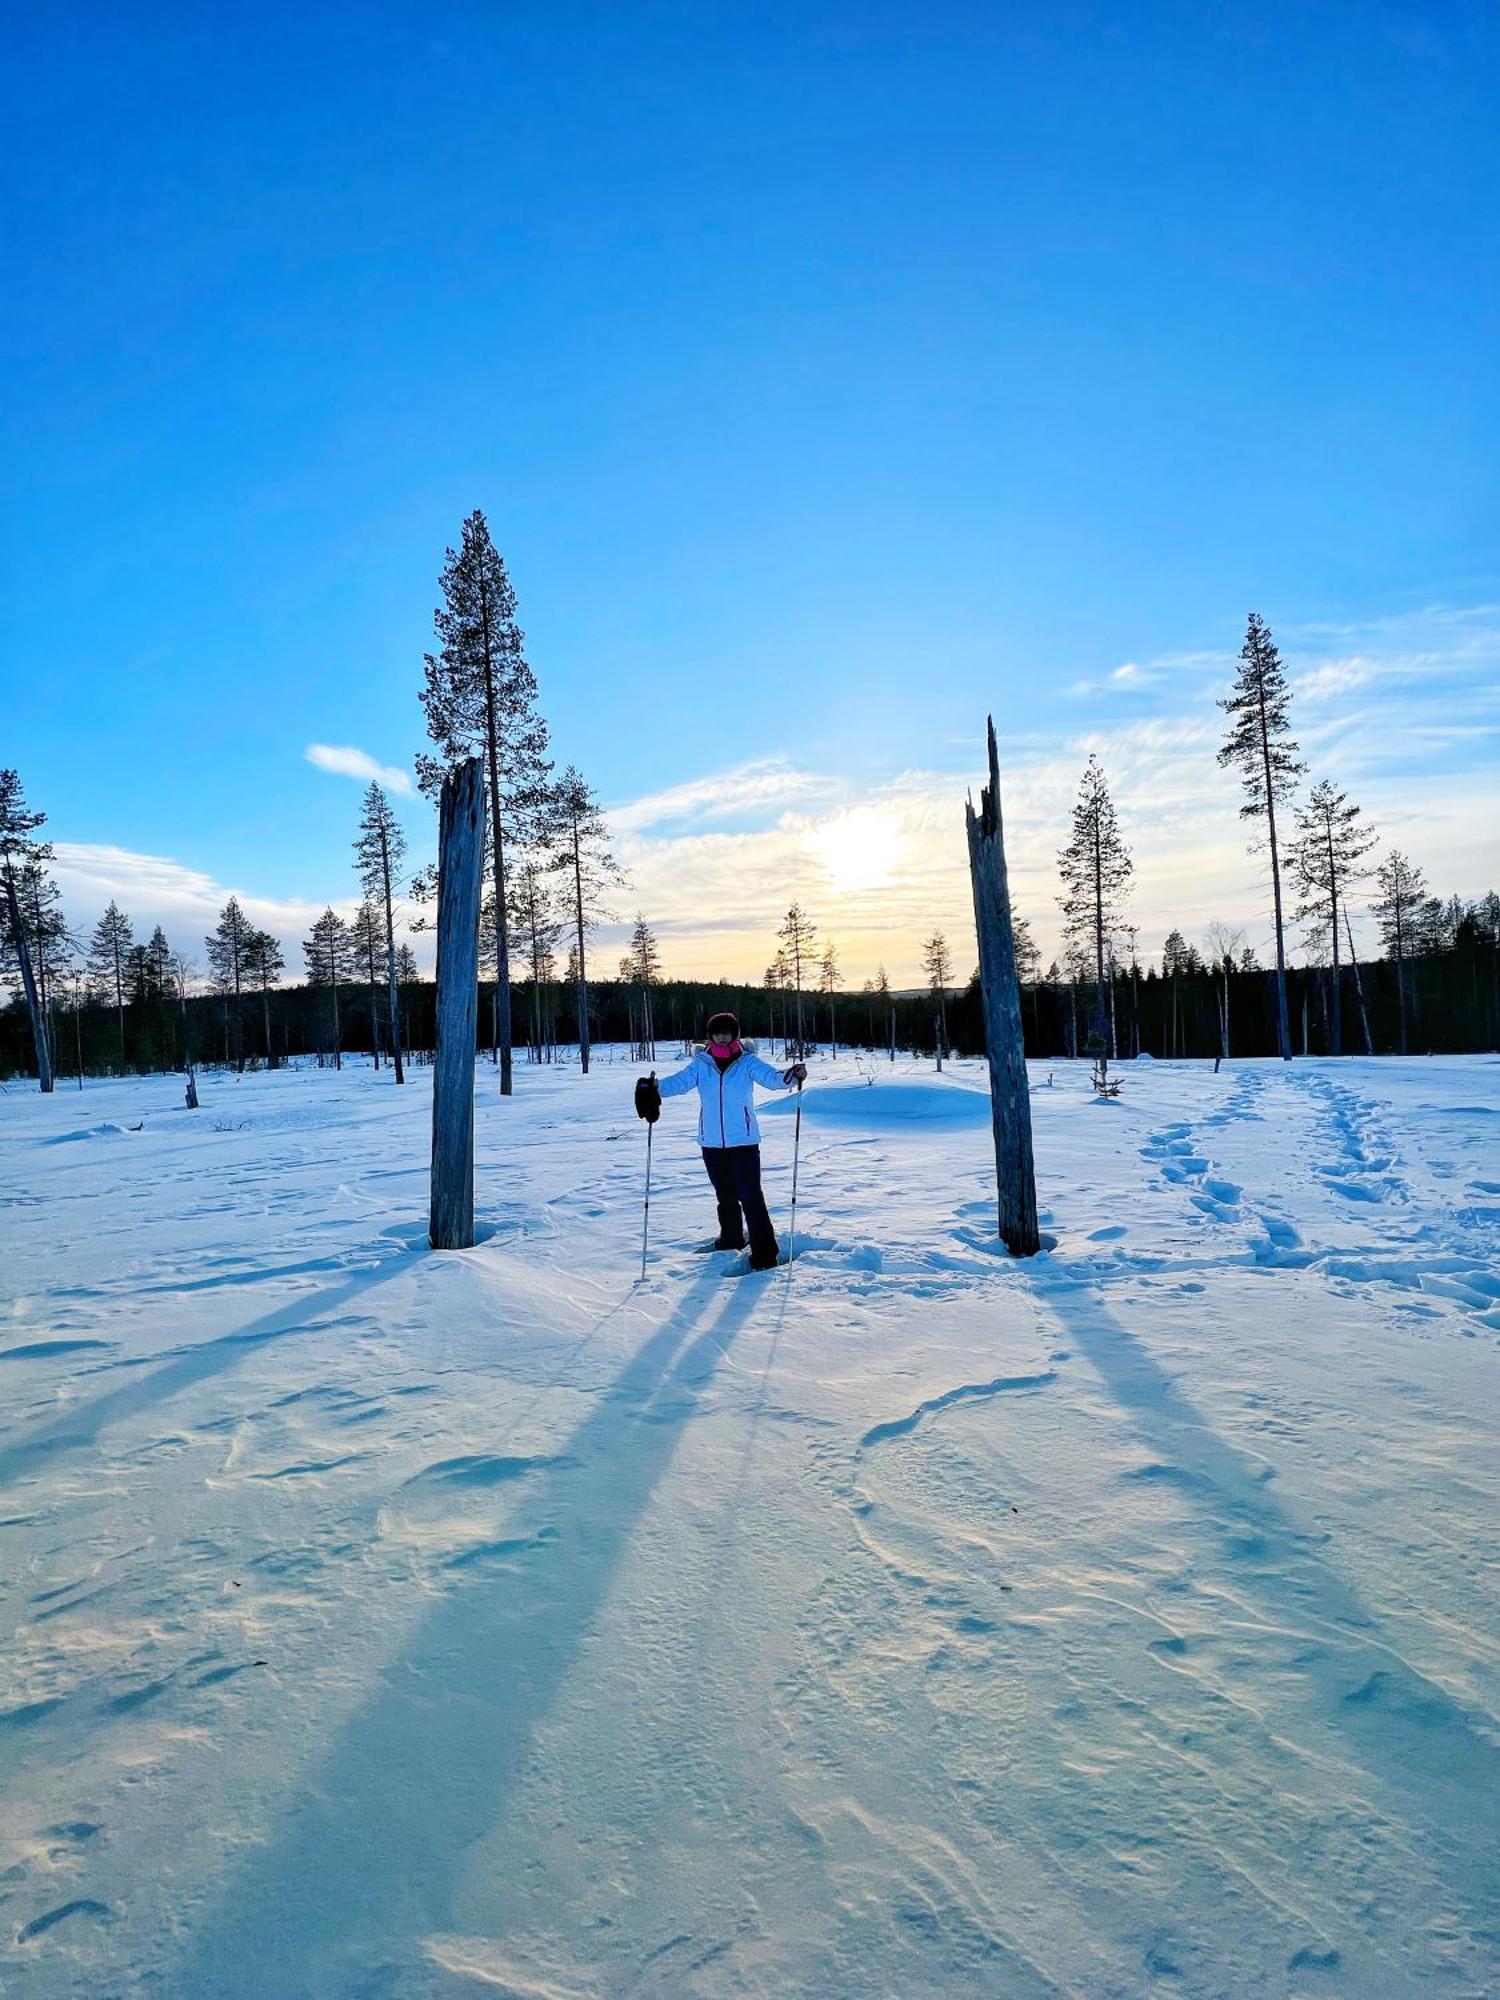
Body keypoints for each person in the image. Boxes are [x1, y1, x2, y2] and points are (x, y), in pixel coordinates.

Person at [634, 1011, 807, 1269]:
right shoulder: (701, 1064)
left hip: (744, 1142)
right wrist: (655, 1086)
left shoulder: (748, 1062)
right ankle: (731, 1238)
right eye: (718, 1032)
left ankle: (765, 1253)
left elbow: (772, 1079)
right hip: (712, 1142)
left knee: (750, 1196)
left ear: (735, 1035)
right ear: (710, 1035)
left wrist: (792, 1075)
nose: (723, 1037)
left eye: (727, 1032)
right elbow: (680, 1083)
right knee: (725, 1195)